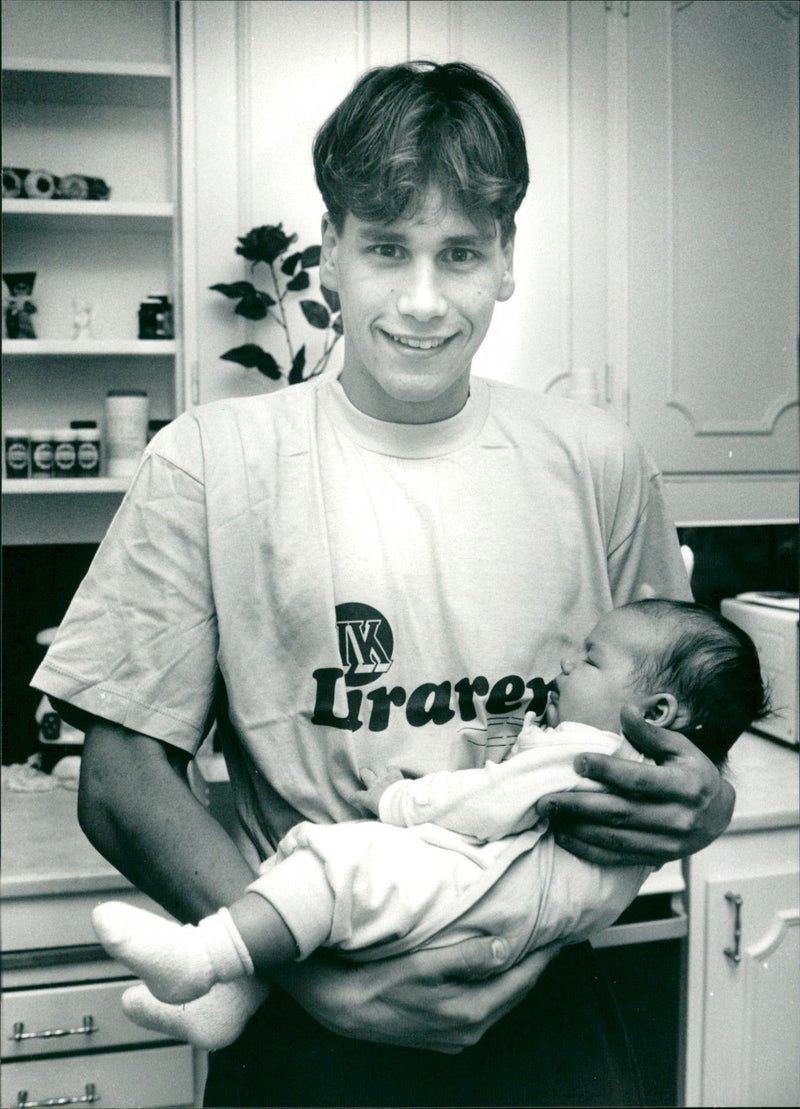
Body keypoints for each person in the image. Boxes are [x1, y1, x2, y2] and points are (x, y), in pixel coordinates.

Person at [32, 61, 736, 1107]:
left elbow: (681, 717)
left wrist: (706, 803)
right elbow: (122, 776)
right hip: (303, 1013)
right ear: (328, 256)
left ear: (505, 259)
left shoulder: (598, 461)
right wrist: (315, 977)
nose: (419, 299)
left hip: (546, 1012)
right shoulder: (210, 459)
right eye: (384, 249)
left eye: (458, 252)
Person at [90, 599, 767, 1056]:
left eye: (589, 660)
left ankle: (202, 956)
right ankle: (231, 994)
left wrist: (399, 802)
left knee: (333, 866)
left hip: (483, 913)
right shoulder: (602, 752)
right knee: (325, 886)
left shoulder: (582, 755)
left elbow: (485, 801)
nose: (565, 664)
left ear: (658, 708)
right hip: (504, 928)